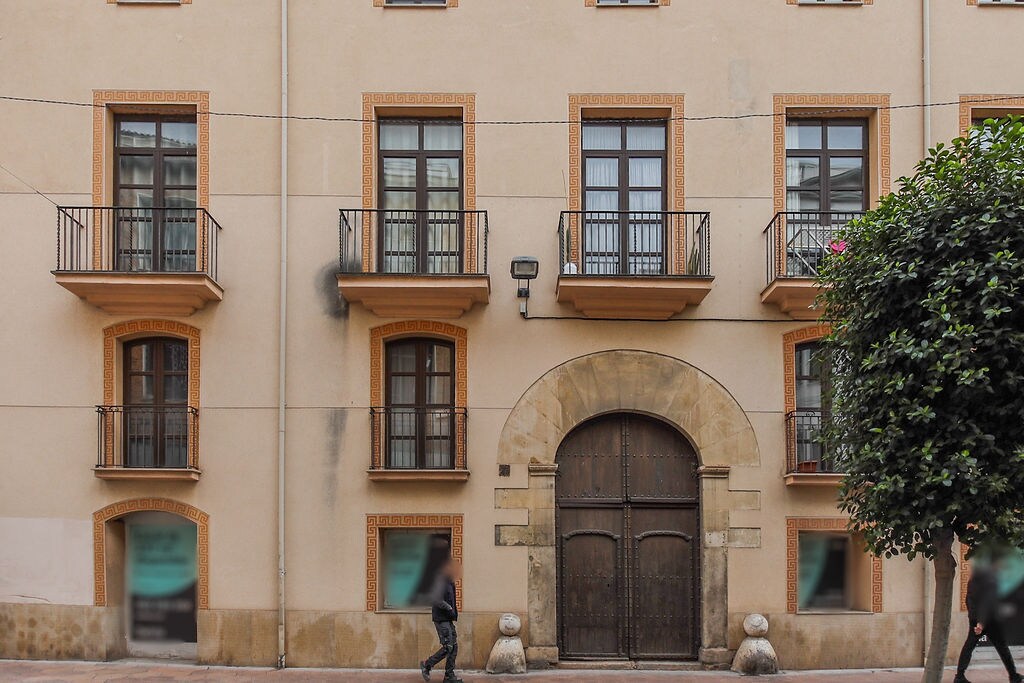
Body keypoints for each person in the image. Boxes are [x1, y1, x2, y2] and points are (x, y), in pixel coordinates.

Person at [955, 557, 1022, 683]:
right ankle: (1013, 676)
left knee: (970, 646)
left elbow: (970, 601)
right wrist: (981, 621)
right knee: (1002, 648)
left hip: (979, 619)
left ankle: (959, 676)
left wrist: (975, 619)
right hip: (987, 621)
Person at [421, 558, 462, 683]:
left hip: (448, 618)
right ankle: (427, 665)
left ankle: (449, 676)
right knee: (448, 646)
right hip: (441, 618)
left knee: (454, 647)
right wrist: (448, 607)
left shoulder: (448, 581)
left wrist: (452, 613)